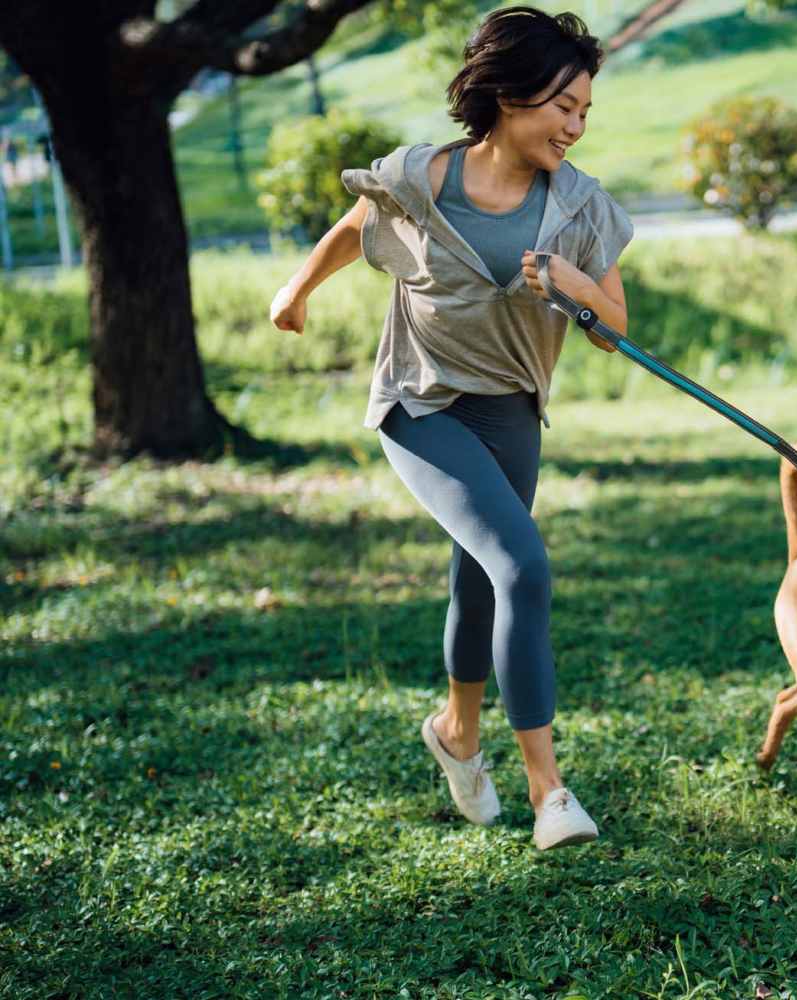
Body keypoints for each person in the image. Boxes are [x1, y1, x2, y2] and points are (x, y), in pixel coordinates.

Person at [268, 6, 632, 850]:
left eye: (585, 111)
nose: (575, 126)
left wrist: (569, 279)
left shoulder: (579, 207)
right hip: (420, 404)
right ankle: (551, 794)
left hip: (513, 410)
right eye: (562, 106)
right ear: (508, 95)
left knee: (480, 578)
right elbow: (360, 227)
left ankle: (458, 734)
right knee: (523, 566)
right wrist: (296, 290)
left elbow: (615, 325)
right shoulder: (421, 178)